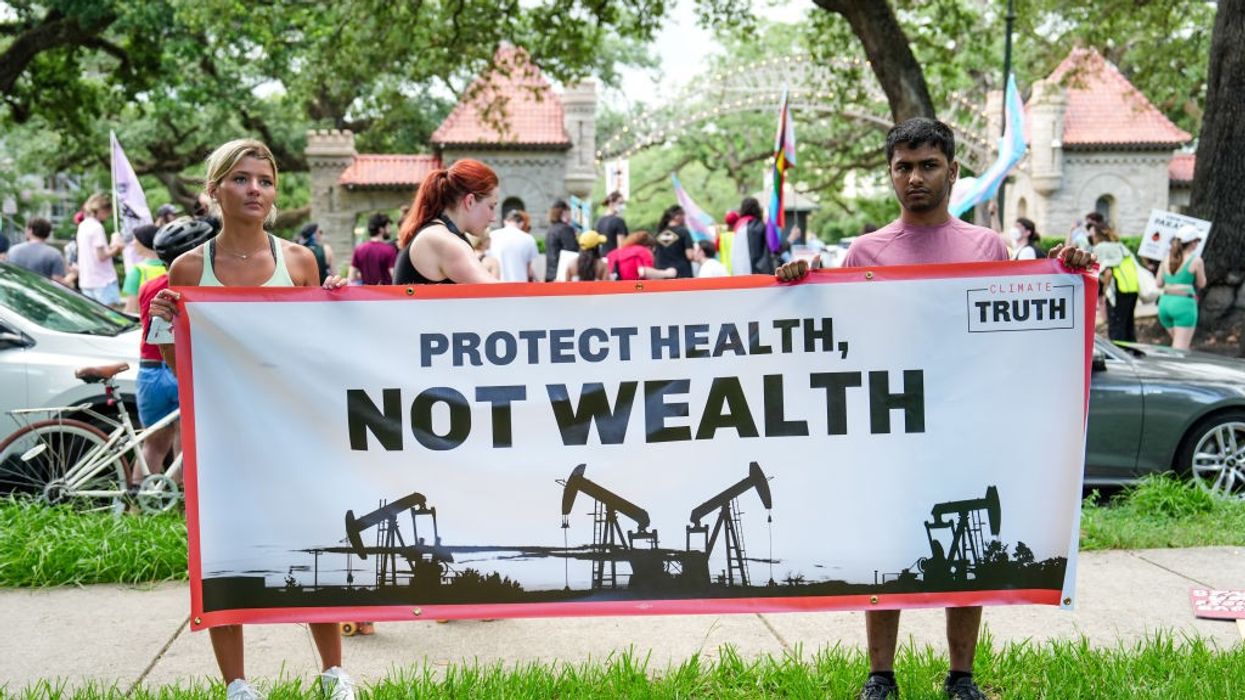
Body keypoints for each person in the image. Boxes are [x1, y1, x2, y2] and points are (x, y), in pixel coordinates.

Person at [775, 117, 1094, 700]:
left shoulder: (987, 246)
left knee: (969, 544)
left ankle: (961, 676)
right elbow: (841, 333)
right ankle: (880, 676)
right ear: (890, 174)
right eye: (903, 167)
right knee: (888, 547)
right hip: (893, 426)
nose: (915, 178)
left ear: (952, 170)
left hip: (967, 423)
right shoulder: (867, 250)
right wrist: (802, 282)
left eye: (927, 165)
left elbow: (1014, 325)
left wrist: (1065, 276)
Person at [148, 139, 355, 700]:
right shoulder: (190, 266)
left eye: (264, 181)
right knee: (226, 555)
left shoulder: (300, 261)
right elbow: (179, 363)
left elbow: (323, 349)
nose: (254, 190)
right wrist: (163, 322)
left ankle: (335, 673)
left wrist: (338, 301)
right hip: (223, 437)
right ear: (214, 190)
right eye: (241, 180)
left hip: (294, 434)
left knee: (312, 547)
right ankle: (238, 684)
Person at [134, 219, 212, 496]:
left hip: (149, 370)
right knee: (184, 442)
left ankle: (139, 503)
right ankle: (181, 501)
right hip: (178, 368)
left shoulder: (149, 286)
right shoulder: (196, 289)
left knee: (151, 447)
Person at [393, 158, 502, 286]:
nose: (493, 217)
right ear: (470, 201)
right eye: (491, 206)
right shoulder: (443, 240)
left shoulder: (438, 232)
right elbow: (500, 294)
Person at [1156, 224, 1207, 350]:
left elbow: (1158, 283)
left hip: (1164, 303)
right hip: (1184, 304)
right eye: (1197, 241)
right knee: (1180, 349)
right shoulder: (1196, 260)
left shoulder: (1166, 258)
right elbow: (1202, 283)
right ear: (1192, 243)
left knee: (1177, 343)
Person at [1090, 223, 1140, 342]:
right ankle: (1132, 351)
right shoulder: (1119, 245)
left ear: (1097, 235)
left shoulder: (1100, 248)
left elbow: (1107, 273)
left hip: (1117, 289)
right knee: (1128, 323)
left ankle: (1119, 355)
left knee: (1116, 325)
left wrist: (1104, 290)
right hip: (1132, 288)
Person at [76, 193, 124, 306]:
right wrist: (117, 248)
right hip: (103, 280)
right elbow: (101, 256)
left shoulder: (82, 226)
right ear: (103, 210)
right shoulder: (97, 227)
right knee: (112, 317)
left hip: (86, 280)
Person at [7, 217, 69, 284]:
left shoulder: (13, 251)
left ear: (30, 231)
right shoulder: (55, 255)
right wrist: (72, 276)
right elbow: (58, 283)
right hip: (42, 293)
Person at [121, 225, 167, 314]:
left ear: (143, 242)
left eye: (135, 239)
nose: (132, 243)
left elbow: (131, 309)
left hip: (148, 324)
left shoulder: (136, 271)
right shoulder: (174, 265)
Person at [488, 209, 541, 282]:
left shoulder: (492, 236)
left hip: (497, 285)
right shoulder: (529, 239)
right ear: (521, 223)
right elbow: (530, 270)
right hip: (520, 286)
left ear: (505, 221)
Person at [605, 230, 676, 281]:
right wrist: (666, 273)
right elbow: (644, 272)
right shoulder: (642, 251)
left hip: (617, 290)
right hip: (636, 289)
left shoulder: (613, 253)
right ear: (649, 247)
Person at [349, 213, 398, 285]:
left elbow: (352, 277)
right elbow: (395, 277)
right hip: (387, 293)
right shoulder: (389, 250)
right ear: (381, 229)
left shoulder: (359, 249)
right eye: (388, 227)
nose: (390, 231)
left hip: (367, 293)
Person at [653, 205, 694, 278]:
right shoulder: (683, 232)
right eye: (683, 215)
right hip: (681, 274)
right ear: (677, 216)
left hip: (662, 273)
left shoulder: (658, 233)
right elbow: (690, 255)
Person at [543, 200, 579, 282]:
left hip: (550, 274)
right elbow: (573, 251)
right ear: (564, 212)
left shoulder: (550, 229)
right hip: (562, 276)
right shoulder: (566, 229)